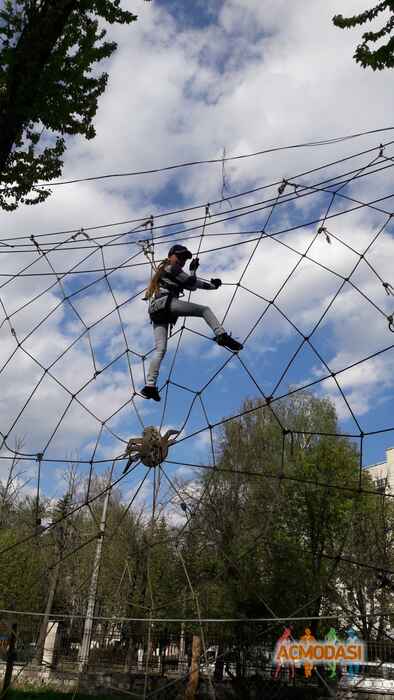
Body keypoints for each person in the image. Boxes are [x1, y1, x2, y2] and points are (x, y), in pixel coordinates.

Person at [141, 244, 243, 401]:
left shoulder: (168, 270)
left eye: (184, 258)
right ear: (170, 255)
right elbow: (190, 282)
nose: (181, 260)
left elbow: (191, 285)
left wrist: (210, 285)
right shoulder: (171, 268)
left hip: (156, 311)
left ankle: (150, 386)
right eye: (179, 257)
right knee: (204, 310)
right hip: (167, 304)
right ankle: (221, 335)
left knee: (160, 350)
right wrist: (197, 273)